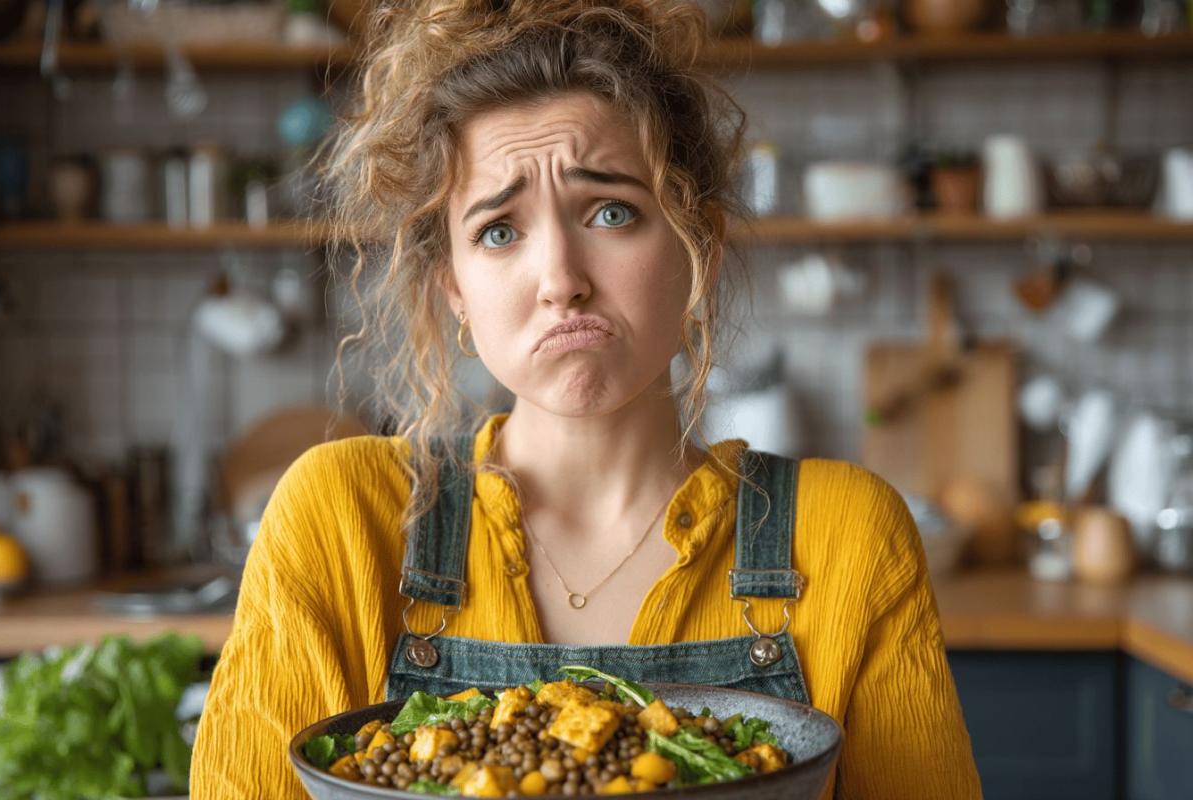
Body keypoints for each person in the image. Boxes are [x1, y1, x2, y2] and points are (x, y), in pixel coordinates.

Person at [190, 2, 981, 798]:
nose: (561, 280)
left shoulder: (845, 541)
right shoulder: (341, 523)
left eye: (610, 212)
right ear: (453, 286)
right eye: (500, 230)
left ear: (698, 245)